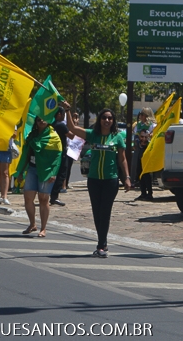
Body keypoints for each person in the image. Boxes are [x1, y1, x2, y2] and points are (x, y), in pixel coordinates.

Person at [61, 101, 131, 258]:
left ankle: (101, 245)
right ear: (99, 120)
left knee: (105, 212)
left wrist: (127, 177)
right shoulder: (93, 135)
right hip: (93, 180)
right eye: (104, 117)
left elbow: (122, 159)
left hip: (110, 180)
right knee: (97, 212)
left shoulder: (118, 137)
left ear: (113, 121)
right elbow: (72, 128)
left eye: (110, 118)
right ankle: (102, 243)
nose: (107, 120)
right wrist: (68, 110)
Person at [14, 117, 63, 238]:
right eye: (39, 119)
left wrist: (54, 173)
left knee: (43, 200)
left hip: (46, 171)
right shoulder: (32, 136)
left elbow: (58, 156)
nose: (41, 121)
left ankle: (43, 229)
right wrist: (21, 172)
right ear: (36, 122)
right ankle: (32, 224)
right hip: (32, 169)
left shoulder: (53, 136)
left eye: (44, 119)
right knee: (28, 199)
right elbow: (27, 154)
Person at [50, 107, 75, 206]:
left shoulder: (51, 124)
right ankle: (54, 197)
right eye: (64, 115)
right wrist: (72, 127)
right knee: (61, 174)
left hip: (52, 152)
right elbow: (71, 136)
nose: (64, 117)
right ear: (59, 114)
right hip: (61, 152)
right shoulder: (61, 125)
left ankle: (49, 195)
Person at [131, 108, 156, 186]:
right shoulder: (138, 125)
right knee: (136, 167)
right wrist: (134, 144)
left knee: (145, 169)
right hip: (138, 148)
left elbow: (154, 135)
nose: (140, 116)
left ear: (147, 115)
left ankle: (148, 188)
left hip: (146, 148)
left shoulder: (152, 125)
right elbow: (135, 135)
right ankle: (137, 185)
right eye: (139, 114)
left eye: (142, 114)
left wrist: (150, 135)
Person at [135, 129, 153, 200]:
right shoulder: (139, 144)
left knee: (147, 176)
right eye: (142, 137)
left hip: (147, 160)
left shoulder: (149, 143)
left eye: (145, 137)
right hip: (140, 158)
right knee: (140, 175)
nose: (143, 139)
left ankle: (150, 194)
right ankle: (143, 193)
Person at [65, 112, 80, 189]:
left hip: (71, 149)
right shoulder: (65, 127)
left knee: (69, 167)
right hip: (66, 148)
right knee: (65, 167)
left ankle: (66, 184)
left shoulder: (73, 128)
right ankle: (63, 185)